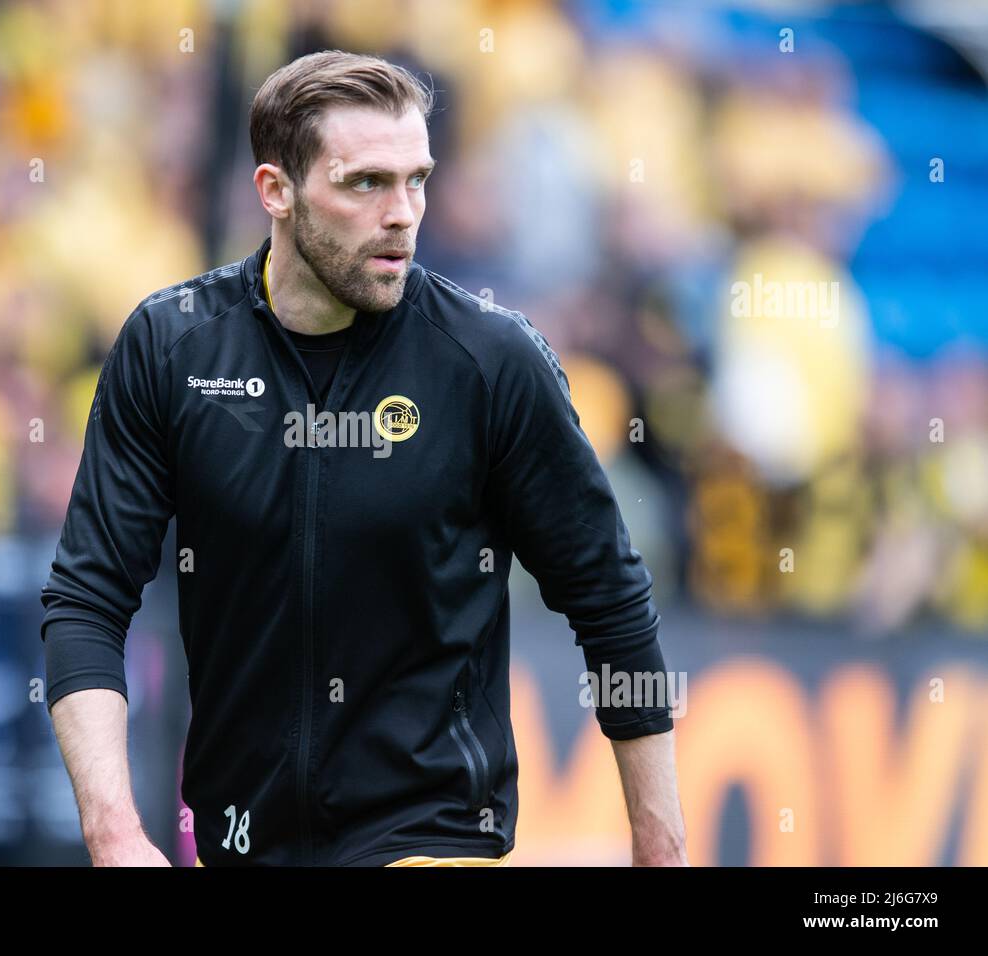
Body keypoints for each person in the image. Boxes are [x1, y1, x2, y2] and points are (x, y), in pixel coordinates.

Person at [40, 49, 687, 867]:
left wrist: (661, 847)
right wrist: (114, 834)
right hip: (239, 841)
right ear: (275, 191)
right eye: (365, 183)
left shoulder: (489, 360)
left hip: (432, 837)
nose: (403, 212)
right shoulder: (171, 348)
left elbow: (613, 604)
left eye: (417, 179)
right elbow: (87, 599)